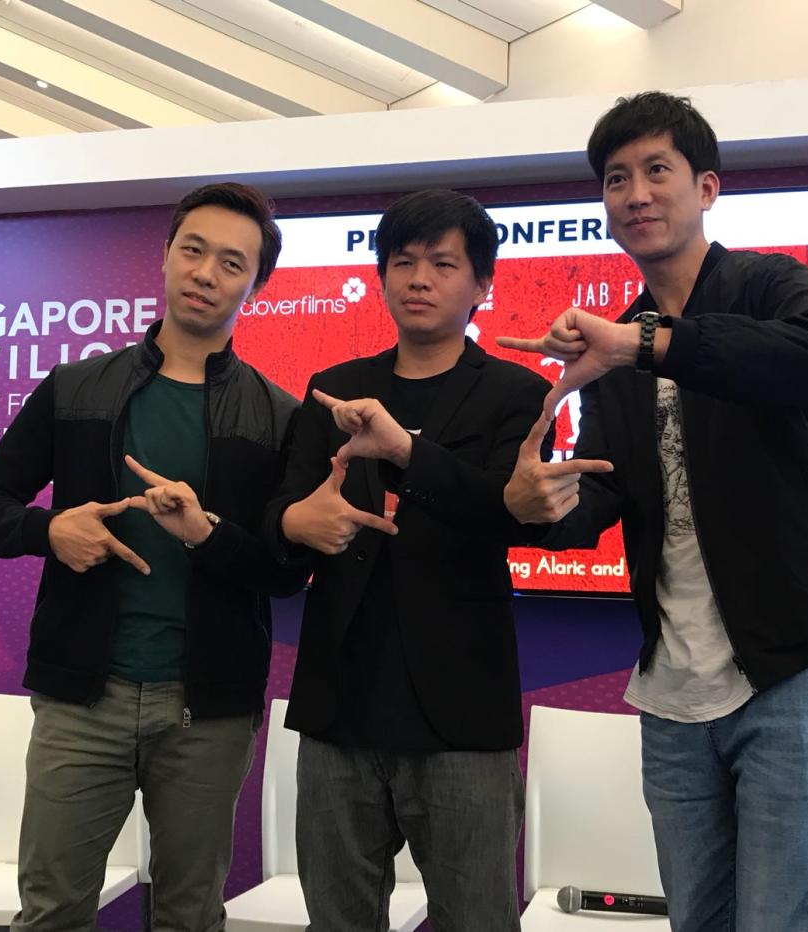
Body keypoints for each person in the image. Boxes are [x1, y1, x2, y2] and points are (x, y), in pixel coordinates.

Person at [499, 91, 808, 932]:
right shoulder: (620, 340)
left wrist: (649, 344)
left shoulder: (765, 283)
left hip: (794, 674)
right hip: (673, 695)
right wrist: (537, 506)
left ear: (706, 187)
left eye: (657, 171)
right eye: (615, 178)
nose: (635, 193)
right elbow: (605, 489)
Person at [0, 182, 307, 932]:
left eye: (231, 262)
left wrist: (206, 533)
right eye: (193, 249)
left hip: (206, 710)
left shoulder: (280, 417)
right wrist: (49, 531)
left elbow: (286, 571)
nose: (206, 272)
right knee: (51, 913)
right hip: (82, 699)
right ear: (166, 255)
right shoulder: (78, 388)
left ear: (257, 283)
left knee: (188, 917)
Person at [265, 189, 603, 932]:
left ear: (482, 284)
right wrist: (295, 521)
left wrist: (405, 452)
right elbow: (278, 527)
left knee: (477, 918)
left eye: (443, 264)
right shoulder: (337, 389)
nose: (419, 278)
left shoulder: (519, 395)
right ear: (382, 276)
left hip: (460, 712)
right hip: (338, 709)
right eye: (403, 262)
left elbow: (509, 511)